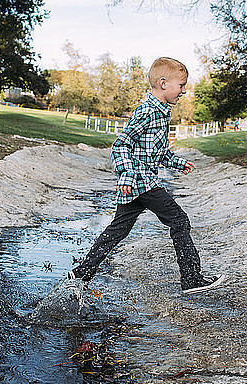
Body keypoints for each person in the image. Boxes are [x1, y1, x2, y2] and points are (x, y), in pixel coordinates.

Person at [68, 57, 225, 294]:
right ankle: (191, 278)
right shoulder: (147, 111)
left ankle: (81, 273)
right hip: (142, 183)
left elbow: (157, 152)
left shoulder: (161, 113)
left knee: (118, 230)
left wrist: (178, 162)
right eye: (181, 85)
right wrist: (128, 174)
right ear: (163, 83)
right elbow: (121, 145)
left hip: (137, 186)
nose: (184, 90)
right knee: (179, 220)